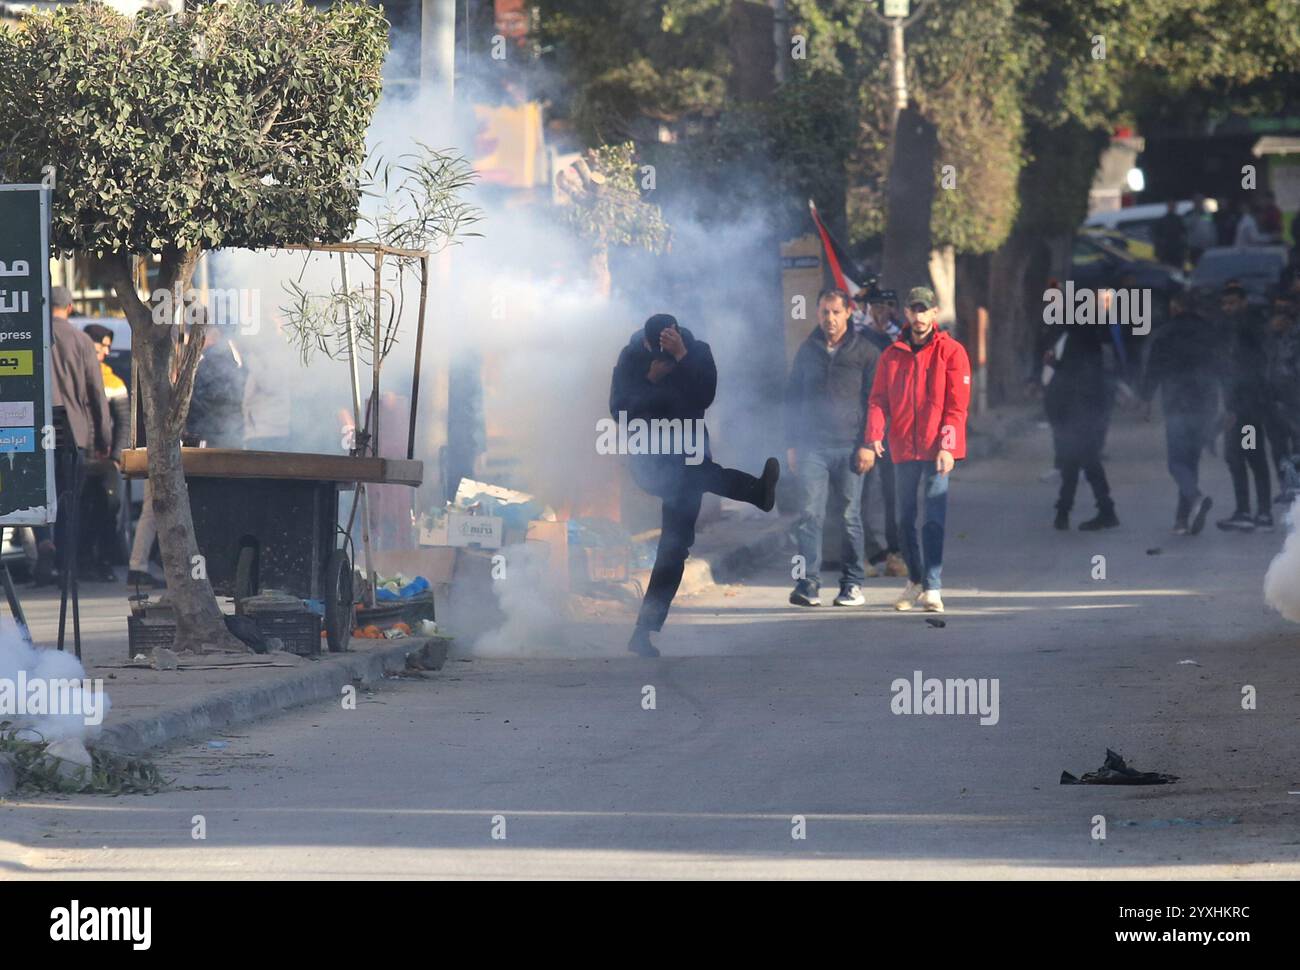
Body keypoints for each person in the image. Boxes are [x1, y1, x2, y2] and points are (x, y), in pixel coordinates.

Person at [610, 313, 779, 657]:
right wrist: (650, 380)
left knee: (673, 547)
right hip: (650, 459)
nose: (656, 352)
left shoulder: (697, 352)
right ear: (645, 343)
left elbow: (703, 396)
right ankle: (755, 491)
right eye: (652, 347)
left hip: (688, 456)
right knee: (698, 474)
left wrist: (683, 358)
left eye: (665, 347)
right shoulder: (631, 358)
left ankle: (643, 631)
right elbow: (619, 410)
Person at [863, 286, 970, 614]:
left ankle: (933, 586)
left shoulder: (951, 352)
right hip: (903, 447)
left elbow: (957, 405)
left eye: (925, 310)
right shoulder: (892, 354)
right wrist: (875, 434)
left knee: (933, 519)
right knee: (904, 519)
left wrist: (948, 446)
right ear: (906, 313)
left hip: (937, 448)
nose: (920, 316)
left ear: (934, 313)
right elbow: (879, 399)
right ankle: (916, 579)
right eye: (914, 310)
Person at [785, 288, 879, 607]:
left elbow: (876, 402)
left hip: (852, 448)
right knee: (809, 514)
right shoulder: (807, 351)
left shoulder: (865, 352)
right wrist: (792, 445)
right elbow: (793, 399)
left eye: (836, 312)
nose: (830, 319)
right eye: (825, 312)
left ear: (848, 313)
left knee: (849, 516)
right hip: (813, 448)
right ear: (817, 314)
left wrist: (868, 443)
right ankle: (807, 584)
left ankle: (852, 583)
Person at [35, 286, 112, 585]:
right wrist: (104, 438)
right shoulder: (82, 341)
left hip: (38, 431)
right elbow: (96, 393)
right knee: (70, 501)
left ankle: (44, 540)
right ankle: (67, 567)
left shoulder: (33, 337)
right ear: (68, 308)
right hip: (73, 432)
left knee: (40, 494)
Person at [1138, 289, 1217, 535]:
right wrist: (1230, 406)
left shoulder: (1166, 333)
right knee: (1190, 462)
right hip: (1204, 404)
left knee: (1176, 463)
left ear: (1175, 306)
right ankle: (1182, 519)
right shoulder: (1208, 332)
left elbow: (1154, 368)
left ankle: (1194, 498)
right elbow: (1224, 367)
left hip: (1177, 404)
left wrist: (1146, 399)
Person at [1042, 290, 1122, 532]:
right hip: (1087, 411)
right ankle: (1080, 511)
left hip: (1076, 411)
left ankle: (1077, 511)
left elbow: (1071, 375)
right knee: (1081, 462)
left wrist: (1054, 366)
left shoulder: (1078, 338)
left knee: (1077, 461)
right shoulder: (1095, 334)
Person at [854, 287, 907, 578]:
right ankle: (862, 554)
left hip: (895, 427)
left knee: (892, 494)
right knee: (861, 493)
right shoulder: (857, 335)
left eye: (888, 304)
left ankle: (895, 553)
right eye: (876, 304)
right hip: (864, 423)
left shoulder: (901, 337)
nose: (881, 310)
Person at [1215, 283, 1274, 531]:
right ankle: (1256, 512)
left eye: (1232, 303)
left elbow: (1244, 374)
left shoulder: (1245, 330)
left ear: (1243, 303)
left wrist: (1233, 410)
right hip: (1246, 408)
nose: (1228, 308)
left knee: (1245, 456)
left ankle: (1252, 512)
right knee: (1245, 456)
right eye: (1225, 304)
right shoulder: (1240, 329)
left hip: (1245, 411)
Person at [79, 324, 131, 581]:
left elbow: (123, 421)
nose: (106, 352)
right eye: (103, 345)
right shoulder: (72, 375)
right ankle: (82, 562)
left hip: (103, 461)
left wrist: (116, 457)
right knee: (80, 513)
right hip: (79, 458)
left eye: (109, 346)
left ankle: (103, 562)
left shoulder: (113, 380)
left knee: (107, 512)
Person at [186, 326, 246, 448]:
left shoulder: (205, 367)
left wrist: (190, 430)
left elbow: (195, 402)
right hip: (234, 435)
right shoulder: (235, 368)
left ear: (214, 335)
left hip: (209, 436)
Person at [1184, 195, 1218, 266]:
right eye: (1197, 201)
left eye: (1200, 201)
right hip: (1194, 248)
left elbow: (1210, 227)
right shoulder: (1189, 214)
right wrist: (1196, 214)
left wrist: (1213, 241)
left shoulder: (1206, 214)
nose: (1198, 203)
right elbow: (1187, 226)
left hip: (1207, 247)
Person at [1153, 201, 1188, 268]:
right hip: (1165, 251)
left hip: (1177, 252)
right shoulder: (1162, 221)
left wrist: (1184, 252)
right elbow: (1156, 236)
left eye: (1173, 206)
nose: (1172, 208)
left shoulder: (1179, 220)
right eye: (1170, 206)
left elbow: (1185, 235)